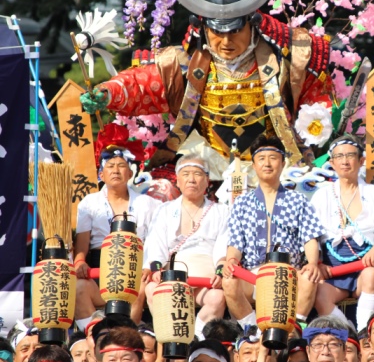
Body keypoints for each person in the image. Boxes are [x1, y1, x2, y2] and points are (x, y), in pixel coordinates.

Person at [80, 0, 333, 172]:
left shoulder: (285, 61)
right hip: (204, 167)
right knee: (158, 195)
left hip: (274, 165)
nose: (225, 41)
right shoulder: (185, 64)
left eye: (234, 31)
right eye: (217, 32)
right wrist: (108, 92)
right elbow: (142, 84)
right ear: (203, 29)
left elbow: (317, 98)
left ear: (252, 26)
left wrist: (317, 121)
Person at [222, 135, 327, 327]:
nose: (267, 163)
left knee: (309, 277)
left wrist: (312, 263)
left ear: (283, 163)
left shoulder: (298, 200)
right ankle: (251, 330)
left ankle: (295, 329)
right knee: (229, 281)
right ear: (254, 165)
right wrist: (231, 262)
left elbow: (310, 238)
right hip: (252, 273)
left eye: (273, 158)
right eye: (261, 159)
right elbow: (236, 243)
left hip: (288, 273)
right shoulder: (243, 203)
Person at [74, 132, 161, 328]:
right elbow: (82, 244)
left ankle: (127, 335)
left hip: (135, 268)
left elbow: (155, 241)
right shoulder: (89, 203)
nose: (115, 171)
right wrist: (79, 261)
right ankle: (94, 337)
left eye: (121, 166)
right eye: (110, 166)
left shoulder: (148, 203)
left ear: (130, 173)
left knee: (137, 289)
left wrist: (148, 266)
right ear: (101, 174)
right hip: (100, 269)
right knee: (79, 287)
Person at [144, 153, 231, 338]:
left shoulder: (221, 211)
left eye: (197, 174)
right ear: (178, 180)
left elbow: (223, 247)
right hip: (172, 276)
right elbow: (155, 243)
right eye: (186, 174)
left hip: (204, 279)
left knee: (217, 298)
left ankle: (196, 337)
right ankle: (169, 335)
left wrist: (219, 270)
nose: (191, 179)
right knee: (151, 289)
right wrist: (156, 268)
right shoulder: (165, 210)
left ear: (207, 180)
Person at [310, 135, 374, 331]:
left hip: (365, 263)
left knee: (371, 275)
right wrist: (317, 262)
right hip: (332, 267)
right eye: (339, 156)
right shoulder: (322, 195)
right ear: (332, 162)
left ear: (361, 160)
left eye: (350, 155)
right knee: (319, 293)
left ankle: (365, 332)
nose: (345, 161)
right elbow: (311, 233)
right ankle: (350, 335)